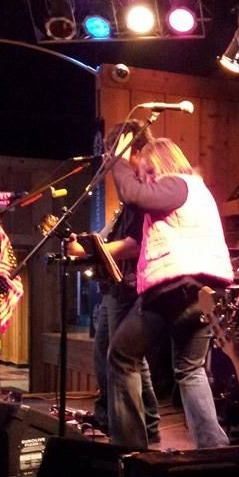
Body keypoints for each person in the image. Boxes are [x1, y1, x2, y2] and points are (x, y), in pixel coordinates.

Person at [107, 137, 233, 451]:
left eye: (150, 171)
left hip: (176, 289)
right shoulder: (199, 192)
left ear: (165, 163)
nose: (148, 179)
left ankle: (130, 449)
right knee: (190, 370)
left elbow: (133, 194)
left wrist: (117, 159)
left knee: (121, 355)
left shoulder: (177, 184)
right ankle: (215, 450)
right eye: (144, 175)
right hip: (205, 293)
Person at [68, 121, 160, 441]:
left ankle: (137, 430)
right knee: (116, 356)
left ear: (134, 150)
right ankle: (126, 421)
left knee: (123, 358)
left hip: (129, 285)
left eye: (114, 152)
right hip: (115, 286)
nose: (109, 160)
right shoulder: (129, 199)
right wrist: (90, 246)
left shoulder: (143, 192)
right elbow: (115, 238)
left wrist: (95, 250)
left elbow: (135, 244)